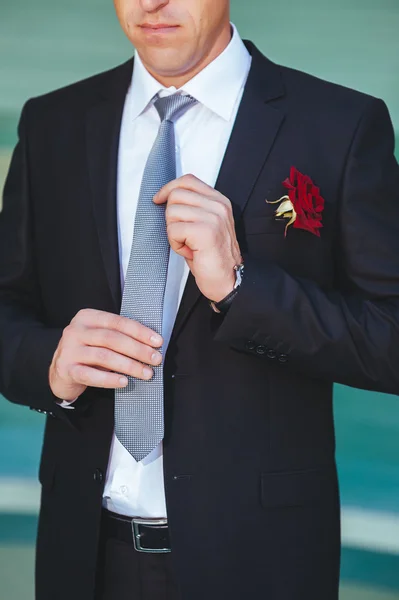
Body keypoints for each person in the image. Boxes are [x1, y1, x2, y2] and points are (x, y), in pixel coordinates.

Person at [1, 0, 399, 598]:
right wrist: (50, 362)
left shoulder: (340, 124)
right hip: (81, 553)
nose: (152, 3)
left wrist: (240, 286)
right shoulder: (51, 123)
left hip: (260, 560)